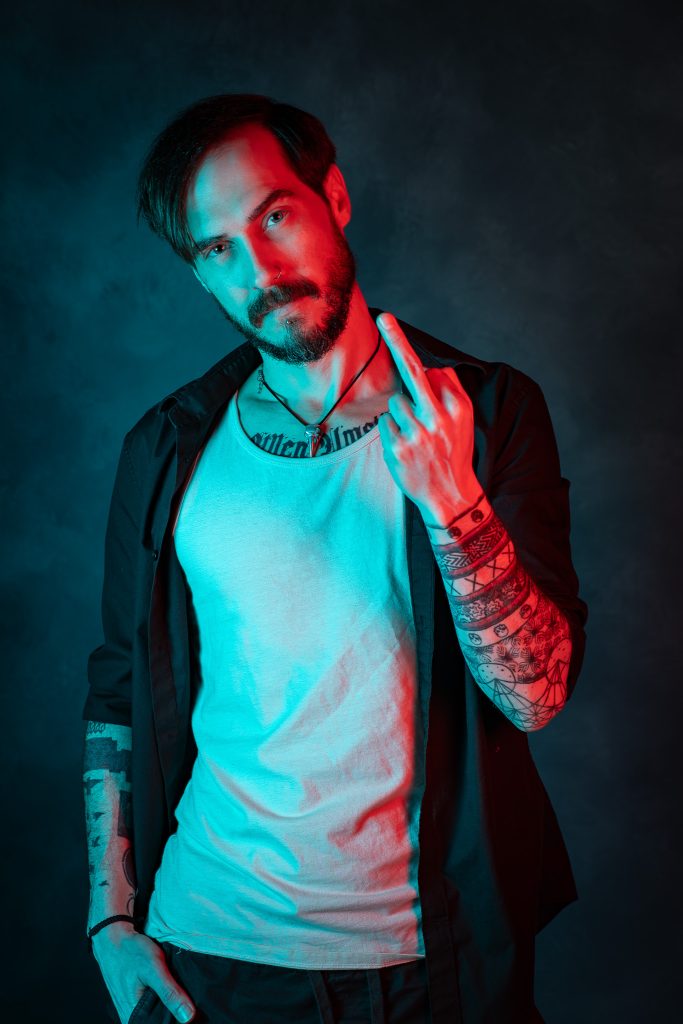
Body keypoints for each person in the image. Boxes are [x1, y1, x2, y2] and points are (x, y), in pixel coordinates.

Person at [82, 94, 588, 1024]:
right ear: (199, 275)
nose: (261, 271)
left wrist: (453, 501)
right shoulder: (162, 450)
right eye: (218, 248)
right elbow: (117, 691)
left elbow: (537, 695)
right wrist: (110, 919)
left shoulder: (484, 412)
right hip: (207, 952)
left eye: (274, 215)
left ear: (335, 198)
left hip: (432, 962)